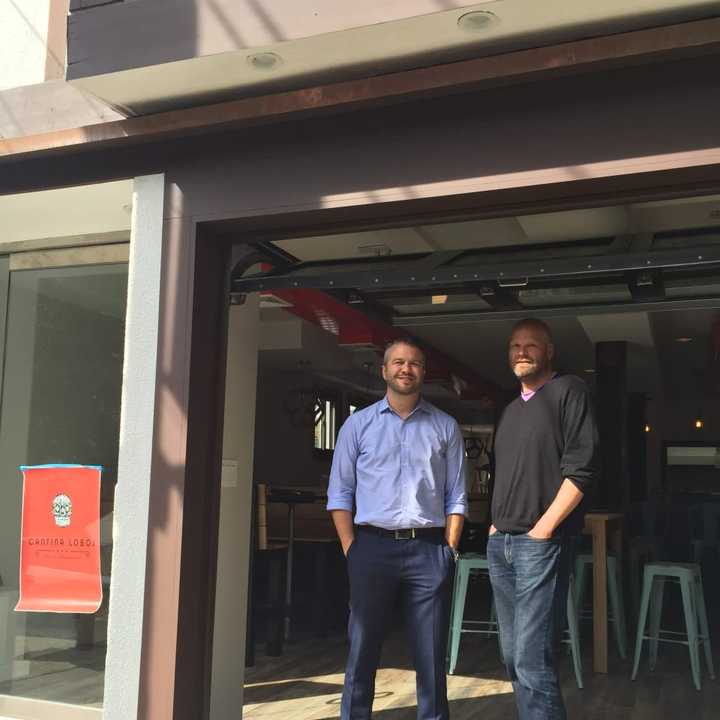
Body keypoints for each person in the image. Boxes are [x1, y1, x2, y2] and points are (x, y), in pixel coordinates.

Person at [327, 337, 467, 720]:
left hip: (428, 551)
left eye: (415, 363)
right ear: (384, 370)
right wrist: (351, 549)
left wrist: (449, 549)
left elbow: (456, 495)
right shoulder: (358, 425)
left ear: (424, 371)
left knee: (431, 654)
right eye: (399, 362)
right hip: (371, 548)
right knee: (362, 649)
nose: (407, 369)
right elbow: (339, 493)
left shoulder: (445, 426)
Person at [488, 318, 598, 720]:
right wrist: (495, 526)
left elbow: (582, 470)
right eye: (515, 345)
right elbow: (504, 474)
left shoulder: (569, 390)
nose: (521, 351)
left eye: (531, 345)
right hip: (502, 544)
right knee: (513, 655)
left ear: (548, 350)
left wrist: (544, 528)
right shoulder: (511, 410)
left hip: (540, 543)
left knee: (531, 658)